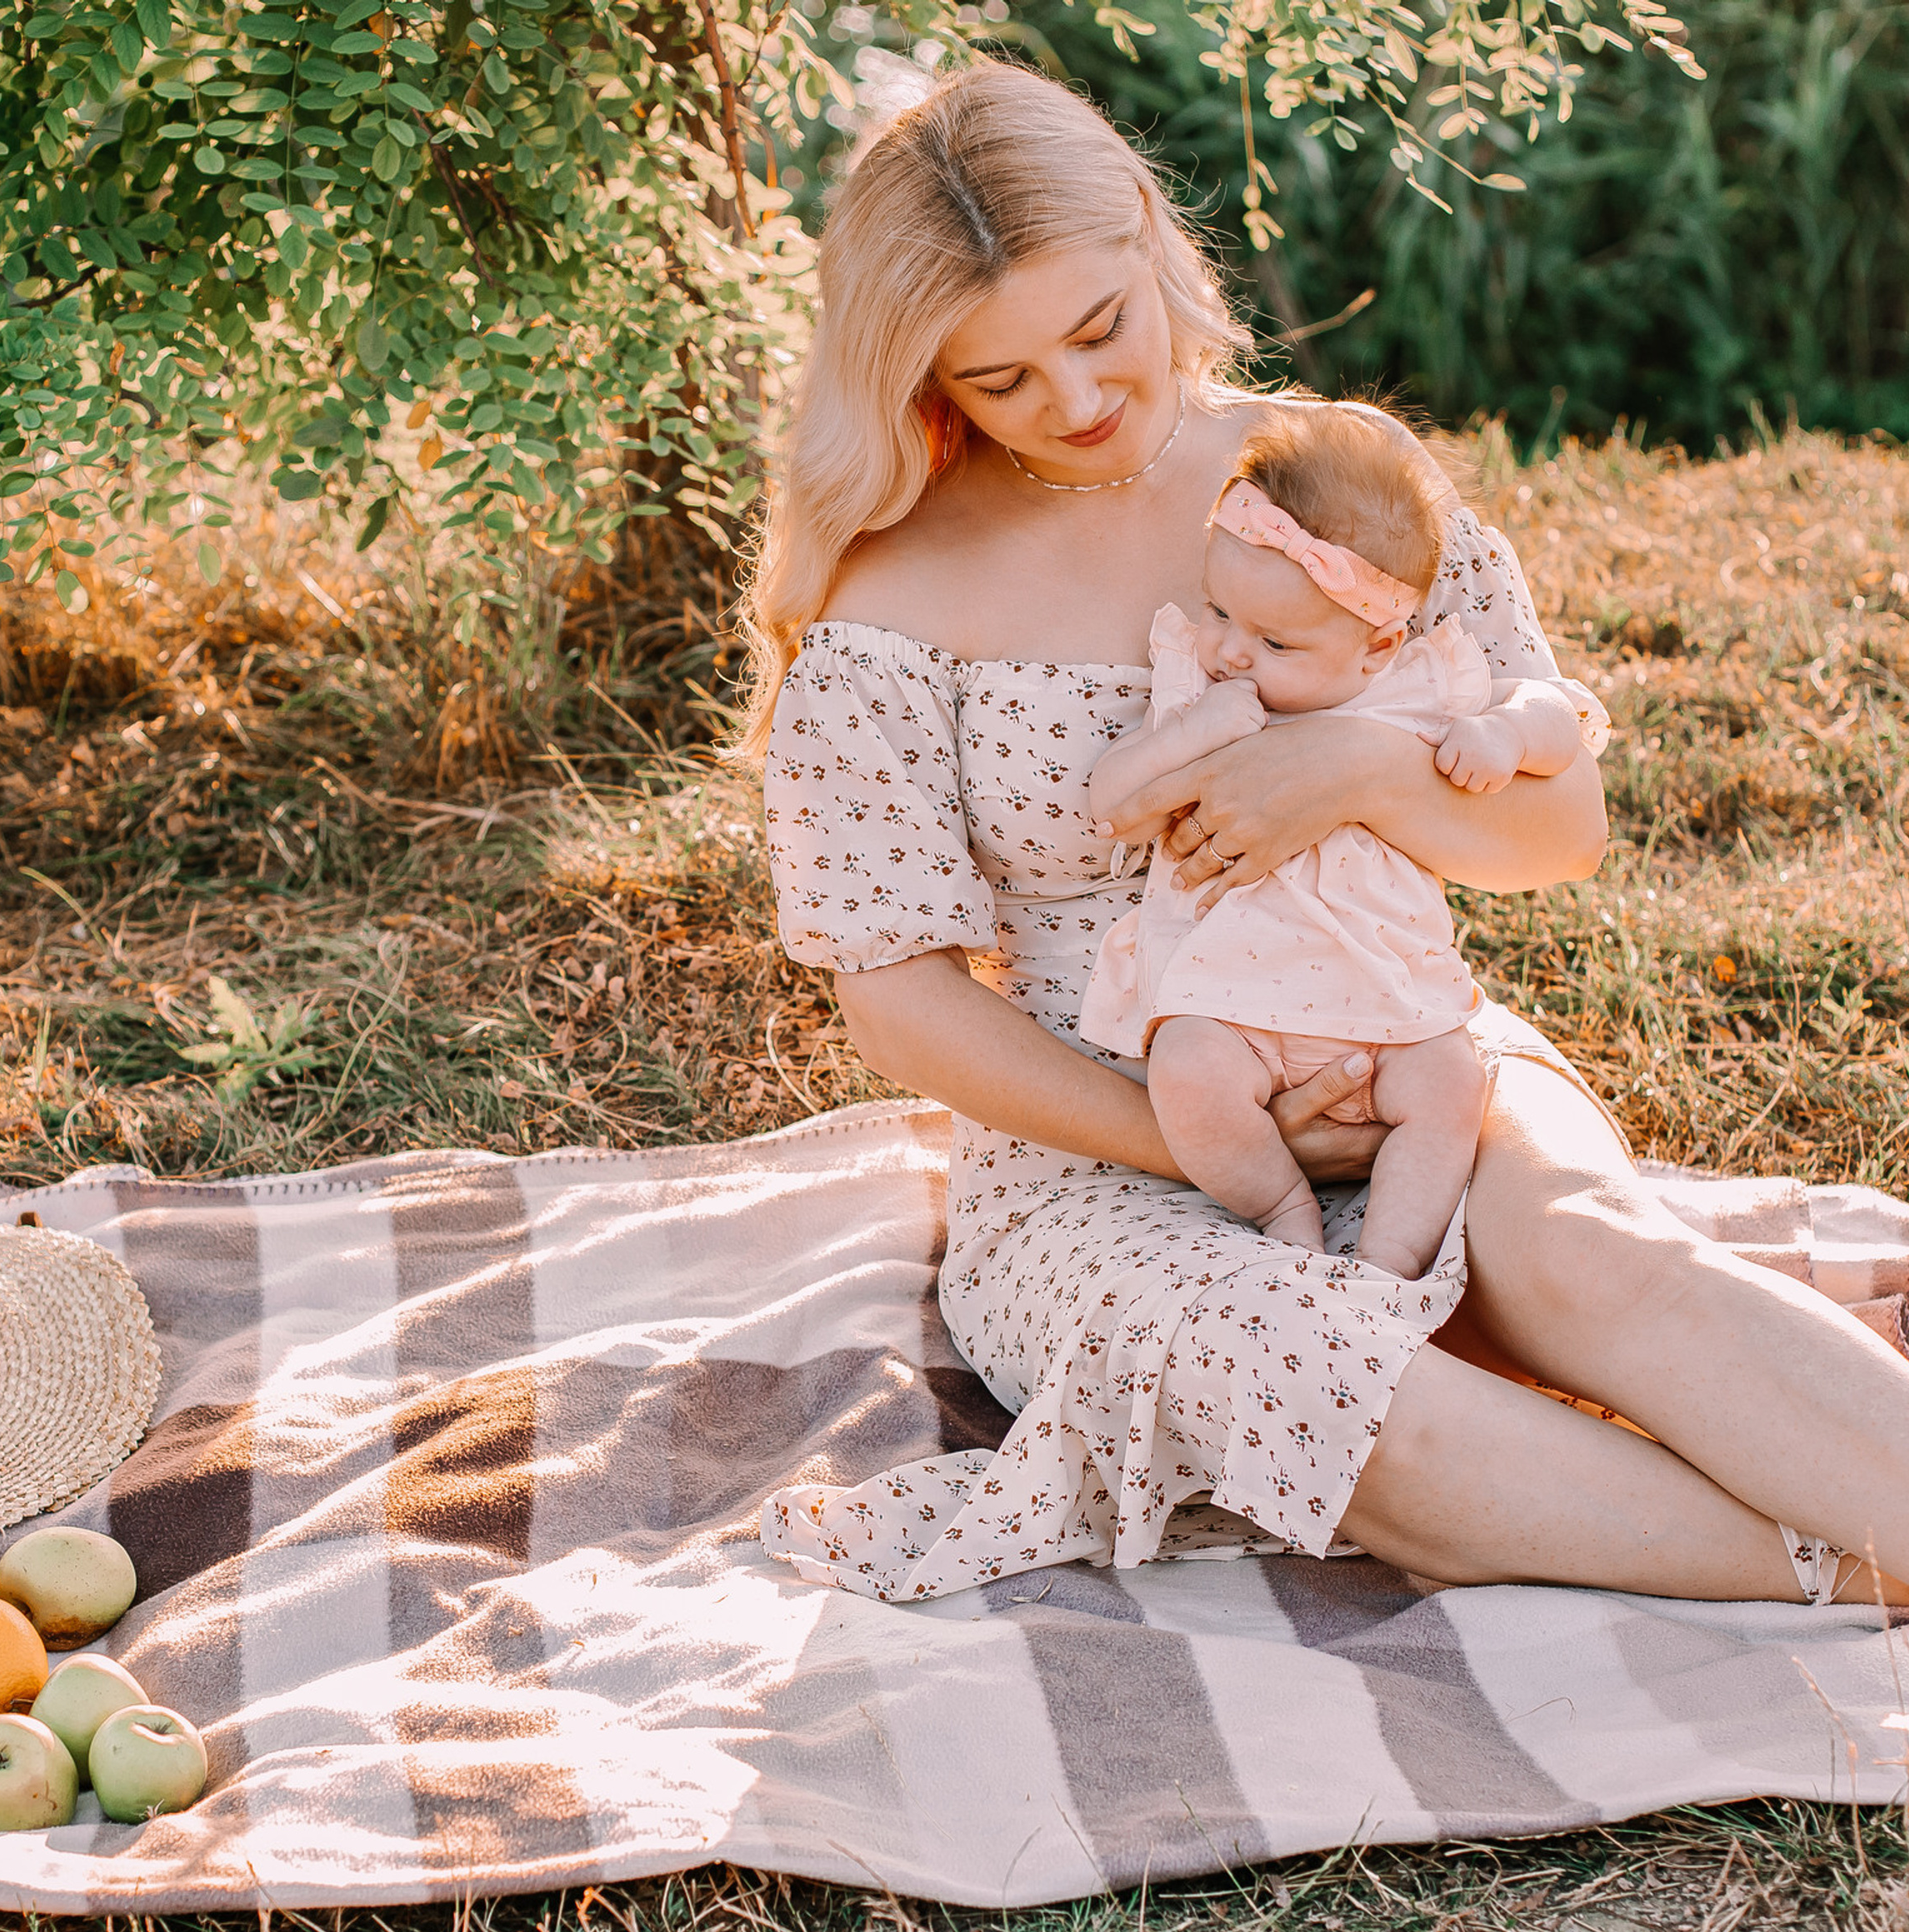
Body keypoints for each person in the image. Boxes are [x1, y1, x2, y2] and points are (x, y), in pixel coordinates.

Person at [744, 61, 1909, 1608]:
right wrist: (1196, 1136)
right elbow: (899, 999)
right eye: (1002, 379)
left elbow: (1560, 825)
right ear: (923, 378)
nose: (1079, 401)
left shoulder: (1340, 487)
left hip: (1399, 1037)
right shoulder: (889, 594)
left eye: (1101, 329)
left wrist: (1354, 765)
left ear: (1147, 233)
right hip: (1096, 1140)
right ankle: (1844, 1572)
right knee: (1331, 1391)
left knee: (1590, 1254)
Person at [1078, 407, 1600, 1279]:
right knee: (1187, 1073)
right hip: (1230, 997)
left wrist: (1506, 735)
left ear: (1377, 644)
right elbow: (1111, 803)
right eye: (1218, 611)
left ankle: (1388, 1263)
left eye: (1274, 641)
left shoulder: (1416, 685)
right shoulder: (1203, 689)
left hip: (1390, 998)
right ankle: (1281, 1206)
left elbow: (1562, 716)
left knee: (1451, 1087)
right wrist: (1188, 733)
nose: (1230, 651)